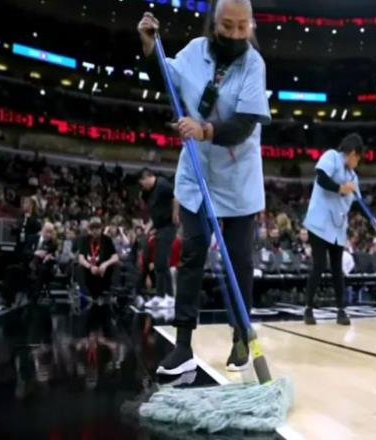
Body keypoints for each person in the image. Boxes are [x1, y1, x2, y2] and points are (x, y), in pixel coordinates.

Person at [138, 0, 270, 375]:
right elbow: (165, 78)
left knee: (239, 261)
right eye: (227, 26)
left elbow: (244, 124)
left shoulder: (254, 65)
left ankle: (241, 337)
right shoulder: (195, 52)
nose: (235, 34)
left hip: (238, 176)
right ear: (214, 23)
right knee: (192, 254)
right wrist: (149, 46)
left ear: (251, 25)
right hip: (197, 174)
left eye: (242, 27)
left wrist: (204, 129)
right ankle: (182, 345)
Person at [303, 133, 365, 326]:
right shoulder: (331, 157)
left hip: (337, 226)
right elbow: (321, 178)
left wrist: (374, 222)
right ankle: (308, 307)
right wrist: (340, 188)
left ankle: (341, 310)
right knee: (320, 264)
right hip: (320, 222)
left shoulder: (353, 177)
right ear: (353, 153)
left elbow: (357, 203)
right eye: (358, 158)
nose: (357, 163)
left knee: (338, 268)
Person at [139, 169, 178, 309]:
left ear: (147, 178)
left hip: (168, 226)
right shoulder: (150, 193)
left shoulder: (162, 184)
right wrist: (149, 227)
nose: (142, 186)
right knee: (157, 263)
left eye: (142, 183)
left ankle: (170, 297)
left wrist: (175, 214)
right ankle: (159, 295)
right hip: (159, 227)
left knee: (162, 261)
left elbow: (176, 196)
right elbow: (155, 214)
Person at [78, 218, 119, 299]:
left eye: (97, 228)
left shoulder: (107, 240)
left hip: (104, 272)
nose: (95, 231)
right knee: (79, 268)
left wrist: (105, 264)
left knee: (116, 266)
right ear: (90, 229)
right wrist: (90, 267)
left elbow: (115, 257)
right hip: (89, 272)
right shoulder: (85, 240)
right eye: (93, 228)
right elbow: (81, 258)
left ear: (101, 228)